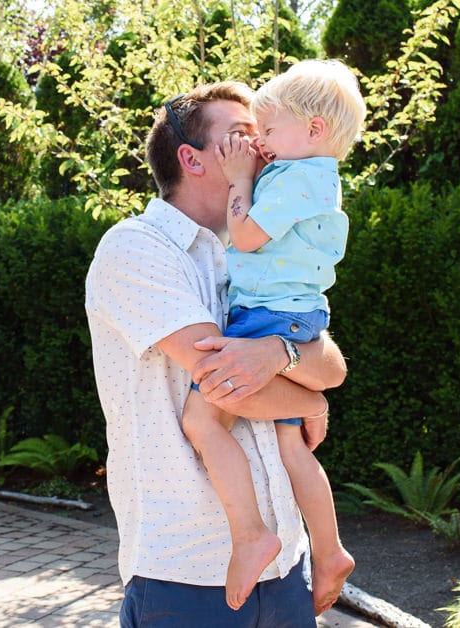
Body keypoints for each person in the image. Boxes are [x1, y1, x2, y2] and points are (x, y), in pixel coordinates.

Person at [85, 80, 348, 627]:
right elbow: (228, 379)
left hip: (285, 570)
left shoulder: (253, 257)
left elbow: (332, 367)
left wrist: (281, 353)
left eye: (263, 134)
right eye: (241, 137)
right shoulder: (136, 248)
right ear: (191, 158)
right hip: (188, 571)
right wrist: (311, 403)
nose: (261, 147)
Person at [179, 59, 364, 613]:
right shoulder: (302, 175)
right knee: (289, 443)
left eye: (269, 130)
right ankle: (329, 551)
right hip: (286, 313)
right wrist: (257, 170)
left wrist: (240, 178)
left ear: (314, 130)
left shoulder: (303, 178)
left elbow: (248, 235)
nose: (259, 142)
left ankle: (251, 534)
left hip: (270, 315)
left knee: (201, 417)